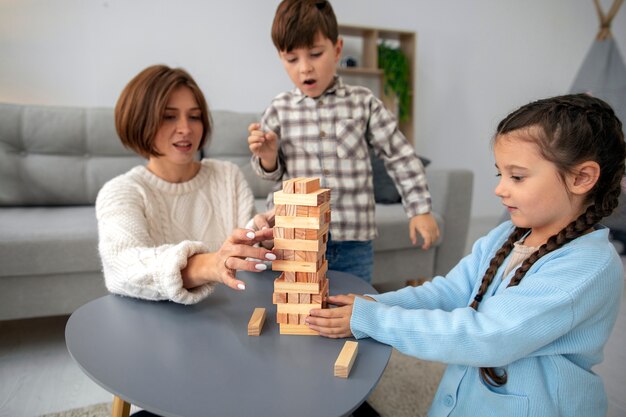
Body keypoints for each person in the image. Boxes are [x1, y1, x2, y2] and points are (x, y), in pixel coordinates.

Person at [306, 94, 626, 416]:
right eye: (500, 174)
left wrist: (375, 320)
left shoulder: (588, 266)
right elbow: (451, 291)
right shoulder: (506, 236)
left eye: (517, 176)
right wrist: (380, 304)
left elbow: (488, 336)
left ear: (581, 178)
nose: (500, 189)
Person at [247, 0, 439, 283]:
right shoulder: (279, 108)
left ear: (336, 50)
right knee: (298, 314)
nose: (305, 69)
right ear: (280, 58)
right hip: (297, 237)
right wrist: (268, 155)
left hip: (353, 242)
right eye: (292, 59)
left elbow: (399, 155)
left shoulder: (363, 103)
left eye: (315, 54)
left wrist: (419, 209)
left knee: (350, 312)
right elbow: (271, 173)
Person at [96, 64, 275, 304]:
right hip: (157, 326)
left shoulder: (227, 175)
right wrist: (210, 264)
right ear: (139, 121)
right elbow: (122, 267)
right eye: (169, 116)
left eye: (194, 116)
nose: (186, 129)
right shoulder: (121, 191)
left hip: (230, 317)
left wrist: (262, 234)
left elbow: (244, 241)